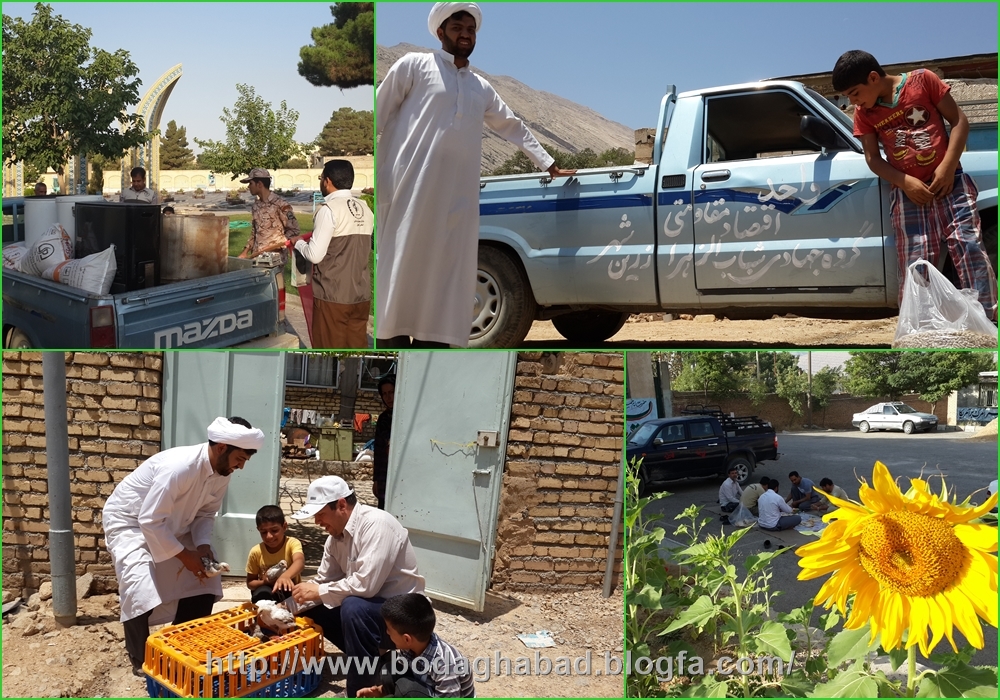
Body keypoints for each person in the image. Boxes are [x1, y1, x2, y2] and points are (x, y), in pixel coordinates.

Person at [375, 2, 576, 349]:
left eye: (471, 30)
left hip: (456, 200)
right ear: (441, 32)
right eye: (457, 28)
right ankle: (392, 340)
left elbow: (511, 125)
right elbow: (377, 113)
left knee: (447, 270)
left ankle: (432, 342)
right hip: (409, 190)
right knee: (403, 262)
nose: (465, 35)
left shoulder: (480, 87)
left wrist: (548, 163)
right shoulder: (414, 66)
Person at [832, 50, 997, 321]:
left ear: (873, 78)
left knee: (969, 247)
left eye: (854, 93)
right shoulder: (865, 113)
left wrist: (946, 167)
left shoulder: (923, 81)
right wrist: (905, 182)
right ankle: (920, 326)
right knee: (915, 260)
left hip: (951, 184)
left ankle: (987, 320)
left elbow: (959, 121)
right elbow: (873, 158)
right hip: (908, 194)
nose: (853, 102)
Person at [101, 416, 264, 674]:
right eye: (240, 459)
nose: (240, 467)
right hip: (131, 522)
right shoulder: (179, 467)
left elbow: (205, 514)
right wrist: (184, 556)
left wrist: (201, 546)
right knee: (139, 585)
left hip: (172, 524)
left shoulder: (223, 472)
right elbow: (150, 519)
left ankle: (181, 647)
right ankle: (142, 661)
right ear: (222, 447)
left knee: (207, 580)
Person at [290, 476, 425, 697]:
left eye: (321, 514)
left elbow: (366, 586)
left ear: (341, 505)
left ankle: (358, 690)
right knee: (310, 602)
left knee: (353, 606)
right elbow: (323, 580)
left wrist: (319, 591)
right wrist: (288, 604)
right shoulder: (334, 539)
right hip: (376, 613)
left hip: (405, 615)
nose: (317, 522)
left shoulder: (377, 524)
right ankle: (378, 662)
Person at [287, 160, 373, 349]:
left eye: (321, 178)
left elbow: (315, 255)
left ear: (327, 181)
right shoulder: (365, 209)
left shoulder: (328, 210)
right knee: (356, 351)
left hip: (332, 296)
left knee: (329, 352)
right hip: (361, 295)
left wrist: (299, 242)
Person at [357, 594, 475, 698]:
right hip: (423, 689)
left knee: (406, 689)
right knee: (389, 671)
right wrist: (379, 691)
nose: (387, 632)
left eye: (389, 629)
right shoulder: (409, 648)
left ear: (407, 639)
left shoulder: (445, 665)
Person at [238, 168, 301, 262]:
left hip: (275, 259)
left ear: (259, 184)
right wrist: (245, 251)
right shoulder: (256, 206)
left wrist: (278, 243)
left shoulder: (281, 205)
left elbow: (294, 230)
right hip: (257, 257)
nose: (248, 187)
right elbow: (254, 232)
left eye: (250, 183)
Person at [246, 505, 305, 604]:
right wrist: (265, 582)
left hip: (289, 590)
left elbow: (300, 562)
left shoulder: (292, 543)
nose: (269, 536)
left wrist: (285, 576)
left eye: (274, 530)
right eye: (264, 532)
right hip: (267, 592)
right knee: (262, 594)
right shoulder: (256, 551)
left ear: (284, 526)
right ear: (258, 530)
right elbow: (250, 583)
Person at [372, 375, 395, 510]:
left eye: (391, 392)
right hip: (384, 475)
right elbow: (379, 451)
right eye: (384, 394)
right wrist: (376, 480)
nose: (388, 397)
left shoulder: (406, 416)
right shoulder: (383, 419)